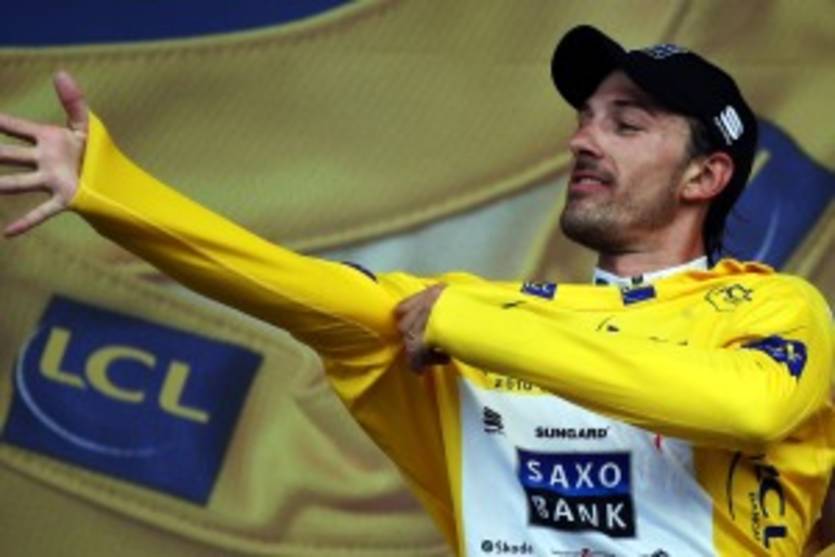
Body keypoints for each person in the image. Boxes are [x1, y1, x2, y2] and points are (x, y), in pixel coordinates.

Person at [1, 24, 832, 556]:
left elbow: (744, 406)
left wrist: (472, 321)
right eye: (585, 117)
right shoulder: (458, 315)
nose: (583, 139)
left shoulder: (774, 308)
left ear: (703, 176)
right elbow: (285, 283)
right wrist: (107, 189)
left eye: (625, 123)